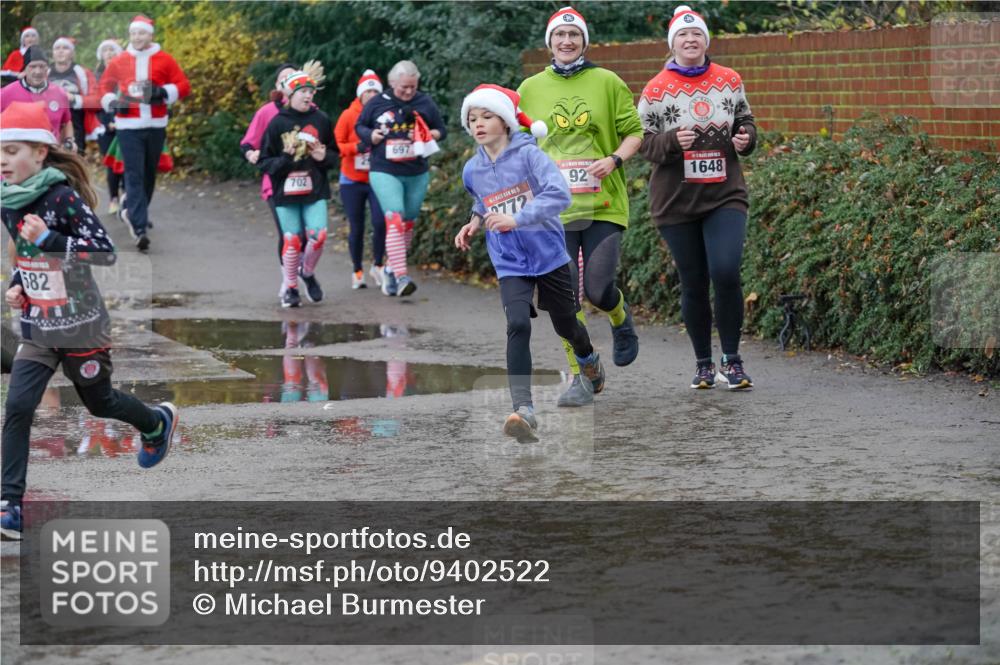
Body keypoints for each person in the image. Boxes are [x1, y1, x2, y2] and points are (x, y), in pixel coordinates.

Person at [0, 101, 179, 540]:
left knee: (99, 403)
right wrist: (19, 281)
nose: (2, 161)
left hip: (81, 322)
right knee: (18, 407)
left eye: (12, 150)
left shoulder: (61, 197)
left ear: (40, 154)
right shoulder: (8, 200)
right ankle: (9, 505)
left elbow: (104, 252)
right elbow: (27, 254)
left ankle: (155, 422)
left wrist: (50, 238)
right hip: (41, 323)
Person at [454, 84, 606, 442]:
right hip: (509, 260)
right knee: (517, 324)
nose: (478, 124)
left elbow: (560, 194)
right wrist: (474, 222)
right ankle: (524, 409)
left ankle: (588, 359)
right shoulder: (472, 169)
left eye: (486, 116)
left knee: (567, 325)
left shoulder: (530, 156)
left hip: (548, 254)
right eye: (472, 118)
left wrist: (518, 218)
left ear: (505, 122)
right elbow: (482, 198)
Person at [517, 6, 643, 408]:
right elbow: (518, 145)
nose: (567, 41)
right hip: (553, 211)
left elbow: (634, 132)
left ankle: (620, 318)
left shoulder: (607, 81)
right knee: (563, 298)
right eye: (560, 35)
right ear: (549, 42)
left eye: (574, 35)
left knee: (598, 289)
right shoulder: (530, 88)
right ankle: (582, 375)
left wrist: (614, 160)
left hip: (603, 202)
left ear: (584, 41)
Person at [638, 5, 757, 390]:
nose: (691, 41)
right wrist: (673, 141)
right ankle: (704, 364)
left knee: (725, 271)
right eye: (683, 36)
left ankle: (732, 360)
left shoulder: (729, 79)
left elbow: (745, 120)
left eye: (697, 35)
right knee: (693, 281)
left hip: (725, 194)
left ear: (706, 40)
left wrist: (747, 138)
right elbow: (643, 143)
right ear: (673, 43)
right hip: (676, 202)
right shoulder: (655, 89)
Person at [98, 14, 190, 251]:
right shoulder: (119, 61)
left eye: (141, 33)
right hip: (128, 127)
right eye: (133, 34)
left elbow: (184, 85)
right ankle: (138, 227)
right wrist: (113, 102)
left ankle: (134, 210)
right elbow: (103, 87)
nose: (137, 38)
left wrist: (163, 92)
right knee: (134, 173)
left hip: (156, 124)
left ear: (150, 35)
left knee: (149, 173)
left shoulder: (165, 59)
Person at [355, 60, 446, 298]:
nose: (408, 91)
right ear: (392, 82)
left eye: (412, 87)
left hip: (416, 171)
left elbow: (440, 130)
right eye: (403, 87)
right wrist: (371, 135)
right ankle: (402, 276)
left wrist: (429, 134)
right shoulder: (377, 103)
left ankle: (389, 268)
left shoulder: (424, 102)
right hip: (384, 169)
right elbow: (360, 127)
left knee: (408, 223)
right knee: (394, 217)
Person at [258, 64, 338, 308]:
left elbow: (335, 155)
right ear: (290, 95)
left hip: (314, 190)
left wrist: (323, 157)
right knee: (292, 240)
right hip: (285, 193)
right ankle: (290, 287)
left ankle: (308, 272)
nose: (307, 95)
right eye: (302, 91)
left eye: (310, 92)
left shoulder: (321, 119)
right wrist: (284, 158)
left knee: (319, 235)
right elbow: (264, 162)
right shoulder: (277, 123)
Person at [240, 62, 299, 282]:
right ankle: (289, 282)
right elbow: (247, 143)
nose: (289, 81)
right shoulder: (267, 112)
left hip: (307, 182)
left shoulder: (312, 111)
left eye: (294, 77)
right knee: (288, 234)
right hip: (275, 182)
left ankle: (304, 272)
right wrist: (252, 154)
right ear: (278, 85)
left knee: (305, 234)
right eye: (284, 78)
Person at [335, 69, 386, 290]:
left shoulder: (385, 115)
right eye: (368, 91)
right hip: (351, 180)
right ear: (360, 94)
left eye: (376, 90)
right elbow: (336, 145)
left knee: (380, 222)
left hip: (377, 177)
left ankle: (377, 265)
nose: (372, 94)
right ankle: (357, 270)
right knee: (357, 227)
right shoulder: (348, 115)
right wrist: (357, 147)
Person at [0, 46, 74, 149]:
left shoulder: (60, 94)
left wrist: (69, 140)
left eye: (42, 66)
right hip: (18, 158)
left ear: (47, 68)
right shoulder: (6, 93)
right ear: (25, 69)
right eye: (33, 66)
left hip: (51, 155)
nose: (38, 71)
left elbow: (66, 122)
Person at [48, 37, 99, 156]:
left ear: (72, 53)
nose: (60, 51)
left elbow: (96, 100)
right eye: (57, 48)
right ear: (53, 53)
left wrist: (74, 98)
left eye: (65, 48)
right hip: (50, 123)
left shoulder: (83, 73)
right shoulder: (44, 72)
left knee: (74, 160)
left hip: (75, 122)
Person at [93, 39, 124, 215]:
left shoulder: (125, 74)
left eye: (112, 50)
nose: (109, 54)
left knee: (127, 162)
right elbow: (94, 102)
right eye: (106, 50)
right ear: (101, 55)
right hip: (104, 126)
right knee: (112, 163)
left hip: (126, 124)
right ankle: (114, 198)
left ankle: (127, 196)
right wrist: (107, 122)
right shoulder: (96, 77)